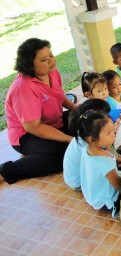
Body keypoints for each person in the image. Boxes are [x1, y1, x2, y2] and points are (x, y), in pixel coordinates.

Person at [1, 38, 76, 185]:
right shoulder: (22, 88)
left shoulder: (52, 72)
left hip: (54, 122)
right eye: (43, 59)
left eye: (51, 55)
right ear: (29, 66)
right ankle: (6, 170)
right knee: (61, 153)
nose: (51, 61)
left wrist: (74, 109)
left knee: (89, 115)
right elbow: (33, 127)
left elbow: (59, 94)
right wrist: (68, 138)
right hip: (27, 135)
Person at [63, 99, 121, 190]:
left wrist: (119, 160)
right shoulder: (87, 146)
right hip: (78, 181)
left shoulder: (86, 134)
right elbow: (104, 164)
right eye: (108, 131)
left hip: (80, 174)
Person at [79, 111, 121, 218]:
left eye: (113, 130)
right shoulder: (105, 162)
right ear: (93, 139)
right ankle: (117, 208)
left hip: (93, 196)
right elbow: (118, 185)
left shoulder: (87, 149)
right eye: (109, 133)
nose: (113, 134)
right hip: (106, 201)